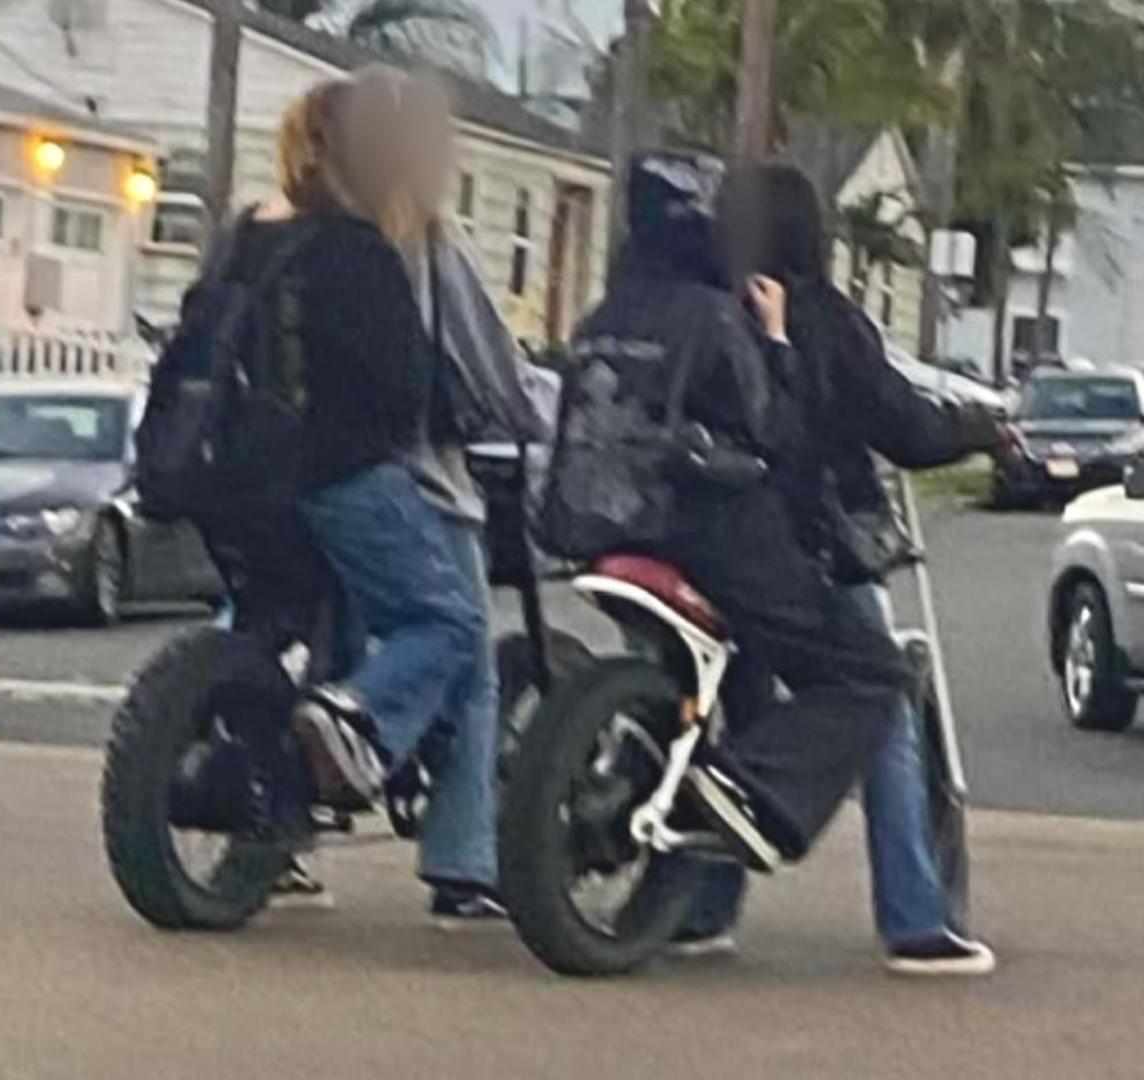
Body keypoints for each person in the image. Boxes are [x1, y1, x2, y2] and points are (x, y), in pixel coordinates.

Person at [670, 164, 1003, 975]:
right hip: (817, 544)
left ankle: (703, 909)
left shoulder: (706, 310)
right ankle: (915, 915)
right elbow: (905, 426)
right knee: (879, 700)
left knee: (740, 711)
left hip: (710, 544)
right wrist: (981, 430)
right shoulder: (824, 320)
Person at [554, 152, 912, 897]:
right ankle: (746, 784)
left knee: (727, 678)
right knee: (871, 672)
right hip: (710, 533)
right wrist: (777, 341)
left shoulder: (601, 317)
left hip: (607, 529)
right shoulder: (713, 316)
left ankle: (694, 898)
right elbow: (776, 428)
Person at [276, 66, 550, 919]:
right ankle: (462, 862)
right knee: (463, 657)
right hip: (419, 480)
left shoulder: (283, 233)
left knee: (305, 645)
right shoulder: (424, 240)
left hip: (286, 472)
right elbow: (491, 371)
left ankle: (277, 832)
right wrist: (549, 421)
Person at [227, 78, 501, 925]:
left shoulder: (253, 236)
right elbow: (437, 378)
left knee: (288, 639)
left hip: (248, 478)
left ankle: (268, 834)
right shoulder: (396, 244)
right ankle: (460, 860)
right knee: (458, 640)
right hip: (390, 475)